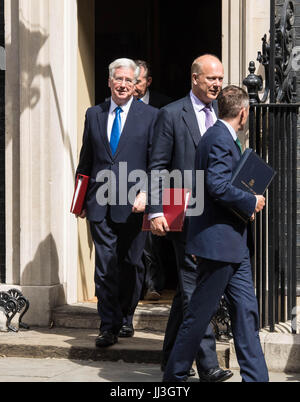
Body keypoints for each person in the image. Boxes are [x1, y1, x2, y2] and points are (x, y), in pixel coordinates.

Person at [163, 85, 269, 382]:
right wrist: (251, 200)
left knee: (246, 314)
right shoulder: (219, 139)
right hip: (217, 244)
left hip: (233, 243)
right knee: (198, 317)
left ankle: (257, 379)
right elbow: (218, 186)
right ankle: (173, 377)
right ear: (244, 112)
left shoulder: (222, 137)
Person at [147, 54, 232, 382]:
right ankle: (207, 364)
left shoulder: (221, 116)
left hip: (216, 218)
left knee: (186, 292)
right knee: (198, 290)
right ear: (195, 78)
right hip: (183, 215)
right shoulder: (170, 115)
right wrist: (156, 209)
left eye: (221, 79)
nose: (217, 85)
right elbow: (157, 167)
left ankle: (171, 359)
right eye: (212, 79)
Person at [76, 58, 158, 347]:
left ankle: (126, 315)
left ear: (136, 85)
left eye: (128, 80)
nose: (123, 85)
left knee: (131, 263)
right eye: (118, 79)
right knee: (105, 264)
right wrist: (79, 199)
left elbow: (156, 162)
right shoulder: (94, 114)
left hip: (134, 203)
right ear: (109, 82)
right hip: (99, 200)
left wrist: (147, 193)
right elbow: (86, 159)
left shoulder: (150, 116)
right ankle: (107, 325)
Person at [134, 59, 174, 301]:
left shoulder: (164, 106)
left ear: (148, 81)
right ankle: (135, 288)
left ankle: (153, 284)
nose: (133, 86)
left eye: (137, 81)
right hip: (127, 179)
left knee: (153, 238)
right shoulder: (120, 106)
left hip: (157, 177)